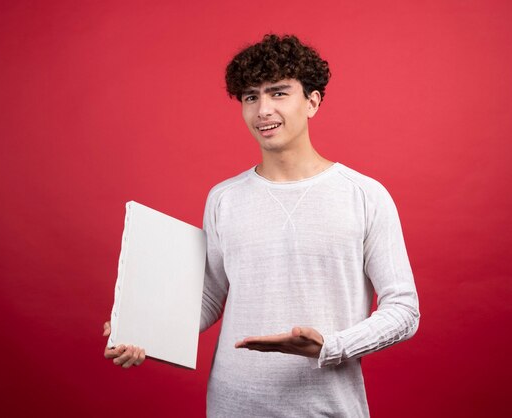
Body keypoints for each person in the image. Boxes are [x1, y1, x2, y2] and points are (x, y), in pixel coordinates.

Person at [104, 34, 420, 417]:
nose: (262, 110)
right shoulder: (224, 197)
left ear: (313, 102)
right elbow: (210, 296)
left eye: (278, 93)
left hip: (329, 406)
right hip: (234, 404)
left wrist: (331, 345)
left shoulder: (365, 195)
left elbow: (404, 310)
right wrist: (144, 331)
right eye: (251, 97)